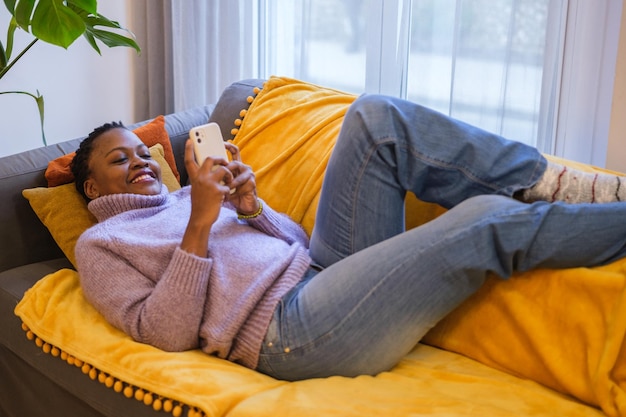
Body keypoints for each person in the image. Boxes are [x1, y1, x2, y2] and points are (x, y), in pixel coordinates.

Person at [72, 94, 626, 382]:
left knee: (374, 117)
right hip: (286, 335)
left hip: (318, 272)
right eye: (120, 159)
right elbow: (164, 333)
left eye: (144, 152)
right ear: (93, 185)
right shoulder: (101, 245)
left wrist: (249, 208)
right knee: (483, 220)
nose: (140, 162)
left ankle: (547, 181)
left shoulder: (189, 194)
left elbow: (291, 241)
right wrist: (199, 224)